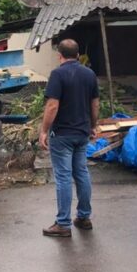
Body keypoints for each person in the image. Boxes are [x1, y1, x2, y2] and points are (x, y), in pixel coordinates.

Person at [39, 39, 99, 237]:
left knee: (63, 177)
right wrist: (92, 125)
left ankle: (63, 223)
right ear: (78, 53)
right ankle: (84, 217)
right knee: (81, 173)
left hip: (63, 134)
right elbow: (95, 103)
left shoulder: (58, 74)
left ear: (60, 55)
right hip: (82, 133)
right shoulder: (89, 74)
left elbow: (52, 106)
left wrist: (44, 130)